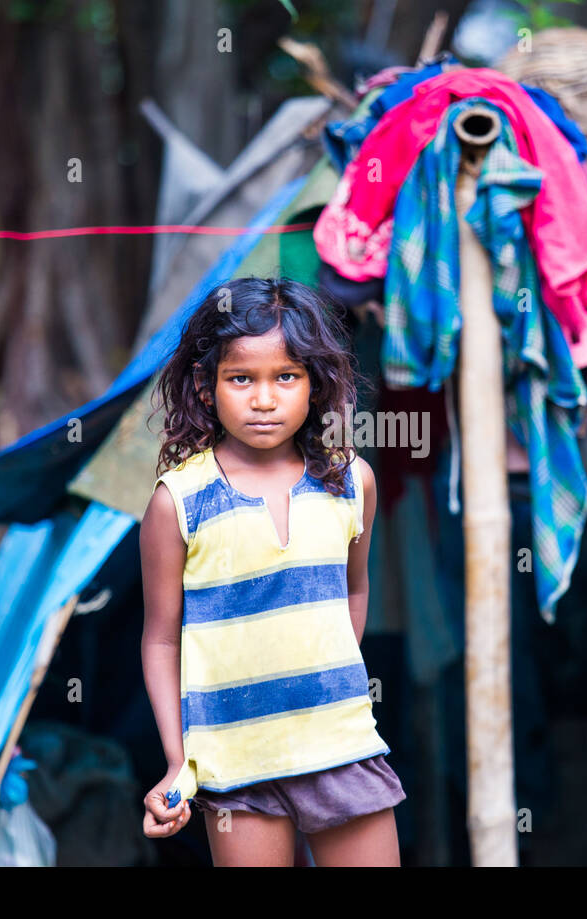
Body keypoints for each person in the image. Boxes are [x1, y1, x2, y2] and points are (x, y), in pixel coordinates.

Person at [138, 276, 405, 866]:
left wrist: (318, 691)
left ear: (316, 385)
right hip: (236, 763)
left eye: (286, 377)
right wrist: (178, 761)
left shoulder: (349, 482)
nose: (264, 399)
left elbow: (353, 591)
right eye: (241, 379)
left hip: (340, 749)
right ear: (207, 389)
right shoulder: (179, 501)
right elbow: (160, 637)